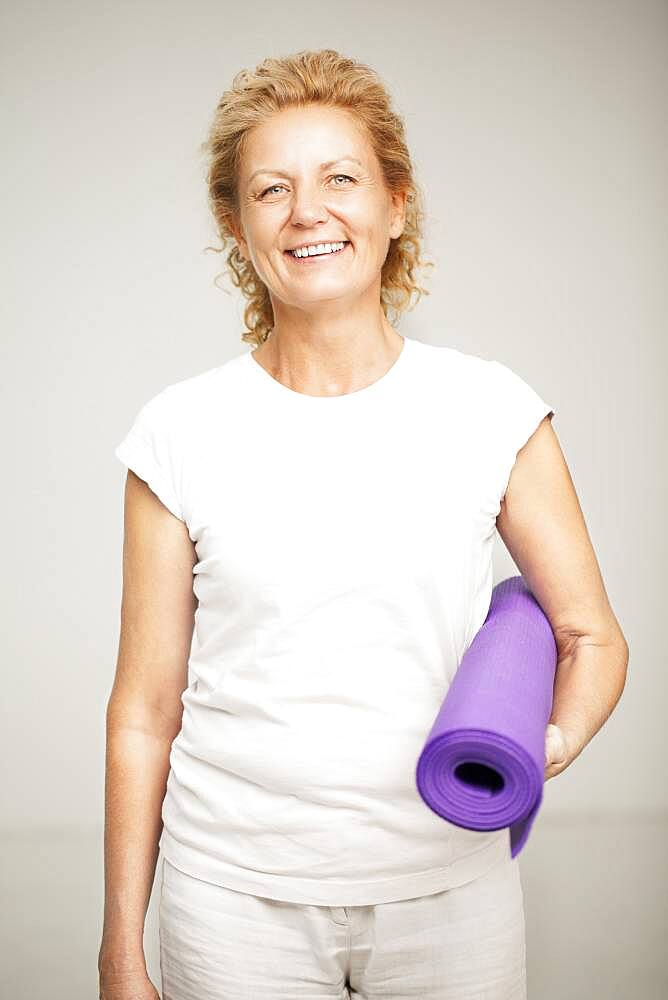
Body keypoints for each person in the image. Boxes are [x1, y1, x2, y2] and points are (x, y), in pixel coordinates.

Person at [98, 48, 628, 1000]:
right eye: (271, 189)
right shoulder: (178, 433)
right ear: (237, 223)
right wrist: (121, 953)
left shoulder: (490, 409)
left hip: (451, 897)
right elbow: (143, 715)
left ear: (396, 203)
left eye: (341, 178)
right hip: (232, 907)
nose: (308, 211)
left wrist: (537, 746)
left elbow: (592, 634)